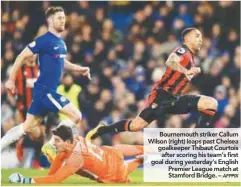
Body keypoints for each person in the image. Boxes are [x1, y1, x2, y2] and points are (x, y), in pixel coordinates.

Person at [86, 28, 218, 140]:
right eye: (197, 36)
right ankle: (103, 129)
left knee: (210, 103)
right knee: (136, 126)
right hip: (162, 96)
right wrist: (186, 71)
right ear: (187, 39)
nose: (201, 39)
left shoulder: (192, 59)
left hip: (175, 98)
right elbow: (170, 61)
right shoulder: (183, 51)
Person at [1, 6, 91, 151]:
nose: (63, 21)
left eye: (63, 17)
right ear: (50, 20)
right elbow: (21, 56)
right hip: (46, 92)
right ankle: (50, 146)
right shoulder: (44, 40)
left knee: (26, 127)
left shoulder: (61, 42)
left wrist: (79, 69)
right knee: (76, 116)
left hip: (43, 92)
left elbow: (61, 62)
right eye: (59, 18)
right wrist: (11, 80)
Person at [9, 124, 144, 184]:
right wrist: (53, 162)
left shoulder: (76, 158)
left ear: (67, 141)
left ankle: (141, 160)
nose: (54, 143)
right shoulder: (75, 139)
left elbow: (56, 180)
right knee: (131, 153)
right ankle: (145, 156)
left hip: (113, 172)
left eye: (57, 140)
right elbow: (53, 173)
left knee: (122, 172)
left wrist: (25, 180)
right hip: (110, 153)